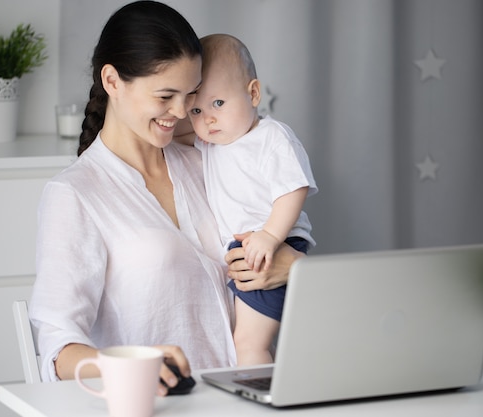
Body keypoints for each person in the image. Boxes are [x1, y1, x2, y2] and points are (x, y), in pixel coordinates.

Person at [29, 1, 302, 394]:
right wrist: (131, 366)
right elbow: (57, 349)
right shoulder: (75, 195)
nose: (181, 112)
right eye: (165, 96)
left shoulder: (208, 159)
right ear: (112, 81)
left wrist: (293, 267)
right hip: (163, 404)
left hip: (249, 397)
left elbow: (277, 242)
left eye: (191, 94)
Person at [186, 34, 318, 365]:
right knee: (248, 339)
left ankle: (258, 402)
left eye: (218, 104)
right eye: (197, 110)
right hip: (247, 248)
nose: (208, 119)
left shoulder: (270, 137)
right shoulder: (213, 142)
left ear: (253, 93)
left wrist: (271, 236)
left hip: (275, 244)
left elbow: (293, 188)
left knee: (247, 344)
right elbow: (176, 131)